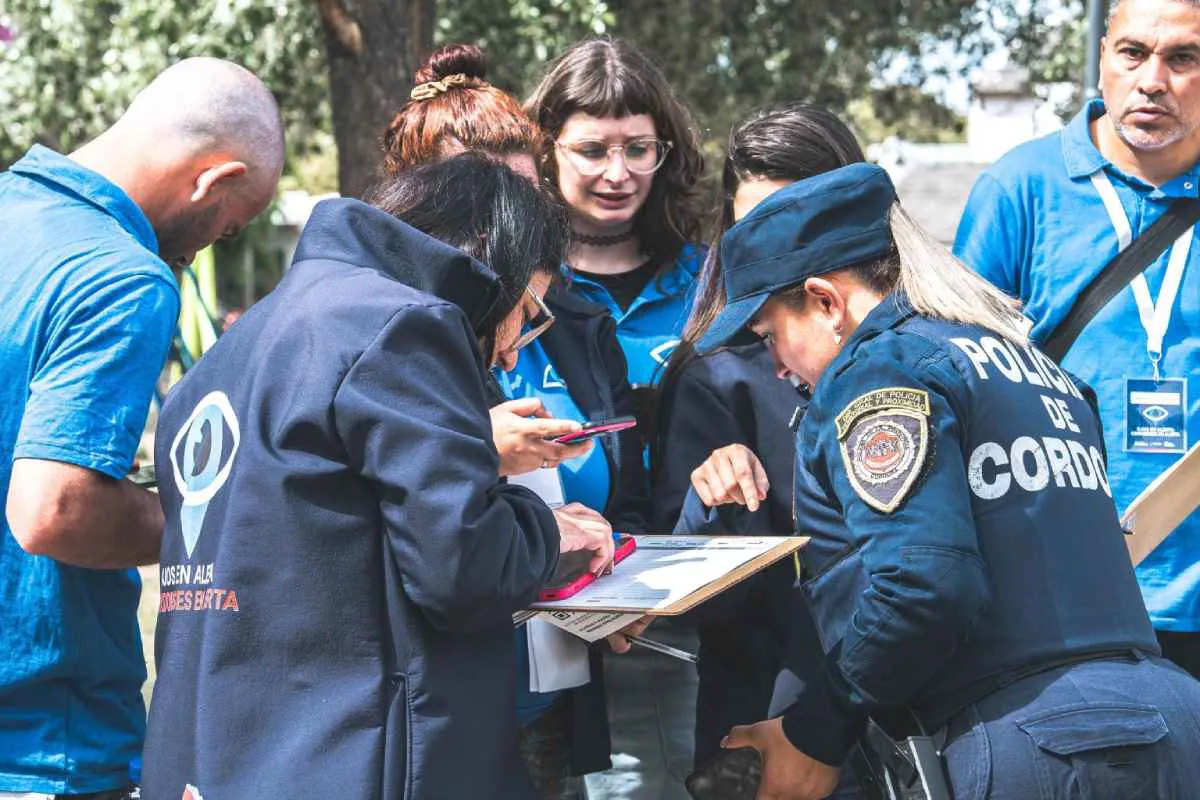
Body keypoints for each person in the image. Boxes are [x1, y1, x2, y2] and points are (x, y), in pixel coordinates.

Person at [690, 161, 1200, 798]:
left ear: (825, 301)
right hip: (1168, 719)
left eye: (771, 333)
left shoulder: (879, 372)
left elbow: (925, 586)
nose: (776, 365)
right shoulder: (1035, 367)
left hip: (1039, 747)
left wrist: (816, 731)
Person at [140, 155, 615, 800]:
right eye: (528, 311)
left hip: (219, 756)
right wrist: (549, 530)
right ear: (490, 264)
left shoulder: (237, 345)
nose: (512, 351)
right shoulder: (405, 324)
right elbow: (462, 567)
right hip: (362, 758)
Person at [0, 58, 283, 798]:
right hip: (46, 745)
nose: (207, 246)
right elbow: (56, 509)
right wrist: (212, 523)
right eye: (230, 226)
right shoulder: (122, 275)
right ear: (213, 181)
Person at [382, 44, 650, 798]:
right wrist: (481, 452)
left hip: (553, 697)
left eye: (524, 199)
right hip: (429, 710)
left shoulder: (576, 322)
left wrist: (612, 581)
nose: (510, 227)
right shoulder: (382, 337)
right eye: (484, 202)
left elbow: (621, 496)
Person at [954, 0, 1200, 676]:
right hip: (1058, 594)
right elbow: (956, 380)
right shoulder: (1018, 189)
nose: (1153, 80)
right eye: (1132, 53)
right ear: (1102, 59)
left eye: (1184, 58)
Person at [653, 103, 862, 779]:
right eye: (755, 226)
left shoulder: (917, 353)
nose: (777, 249)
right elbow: (698, 602)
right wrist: (714, 502)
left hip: (906, 722)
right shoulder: (717, 372)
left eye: (798, 218)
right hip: (767, 726)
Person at [526, 37, 707, 432]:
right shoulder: (516, 290)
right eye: (592, 151)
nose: (618, 174)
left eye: (638, 149)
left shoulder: (710, 282)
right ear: (545, 150)